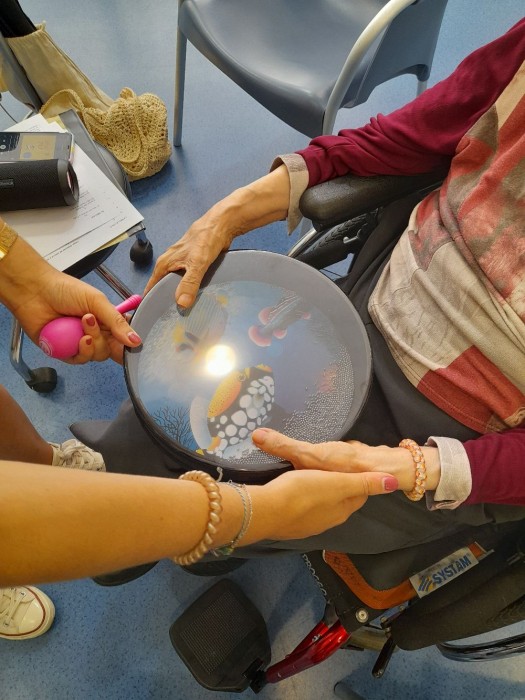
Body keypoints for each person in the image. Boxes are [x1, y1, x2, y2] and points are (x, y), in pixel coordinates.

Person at [79, 17, 524, 563]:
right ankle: (114, 506)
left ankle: (119, 525)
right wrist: (228, 214)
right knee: (168, 408)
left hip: (466, 430)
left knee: (225, 495)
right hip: (379, 296)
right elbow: (410, 134)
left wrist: (416, 468)